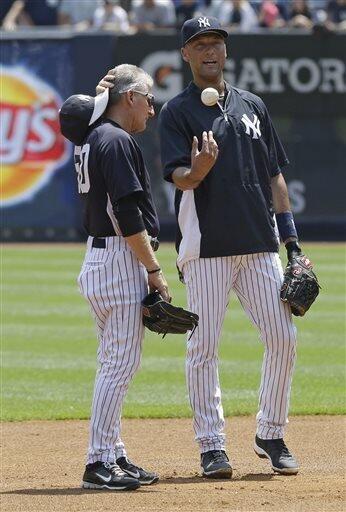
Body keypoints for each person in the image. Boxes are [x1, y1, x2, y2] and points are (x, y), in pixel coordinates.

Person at [96, 16, 308, 480]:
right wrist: (199, 169)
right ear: (186, 54)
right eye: (200, 43)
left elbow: (274, 176)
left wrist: (292, 244)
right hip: (206, 246)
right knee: (203, 347)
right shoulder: (175, 113)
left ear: (225, 52)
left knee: (283, 338)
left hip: (260, 245)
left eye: (216, 42)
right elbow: (180, 179)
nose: (210, 50)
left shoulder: (252, 105)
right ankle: (212, 446)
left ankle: (270, 432)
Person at [59, 64, 170, 490]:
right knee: (119, 365)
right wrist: (153, 269)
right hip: (120, 259)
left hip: (100, 259)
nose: (152, 109)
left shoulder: (93, 138)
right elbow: (125, 214)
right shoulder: (116, 139)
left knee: (114, 362)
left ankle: (115, 453)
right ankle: (98, 461)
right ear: (129, 98)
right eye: (148, 98)